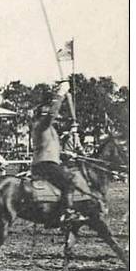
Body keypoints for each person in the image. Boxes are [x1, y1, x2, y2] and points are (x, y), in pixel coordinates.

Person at [31, 80, 76, 223]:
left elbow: (50, 148)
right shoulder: (40, 125)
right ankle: (66, 214)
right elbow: (52, 114)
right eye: (45, 112)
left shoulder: (50, 130)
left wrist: (66, 153)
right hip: (45, 164)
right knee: (69, 183)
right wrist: (61, 95)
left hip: (49, 161)